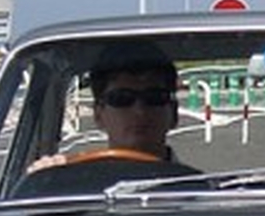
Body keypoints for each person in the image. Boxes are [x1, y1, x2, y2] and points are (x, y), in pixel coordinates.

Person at [16, 41, 200, 194]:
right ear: (98, 114)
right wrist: (41, 182)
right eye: (121, 99)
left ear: (174, 112)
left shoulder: (201, 193)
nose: (139, 111)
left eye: (154, 98)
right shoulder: (69, 188)